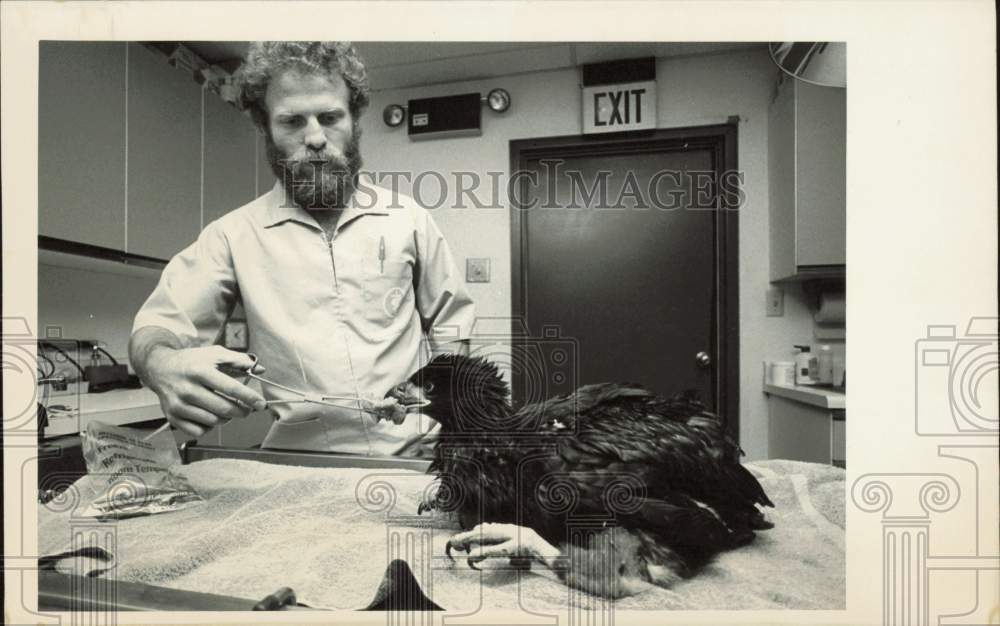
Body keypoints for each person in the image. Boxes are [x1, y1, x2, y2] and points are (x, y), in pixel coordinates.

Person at [129, 42, 475, 455]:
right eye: (292, 121)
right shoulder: (232, 235)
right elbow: (159, 327)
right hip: (296, 465)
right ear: (266, 128)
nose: (314, 138)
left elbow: (452, 328)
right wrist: (160, 364)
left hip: (415, 456)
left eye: (330, 117)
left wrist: (457, 425)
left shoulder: (410, 219)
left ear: (354, 119)